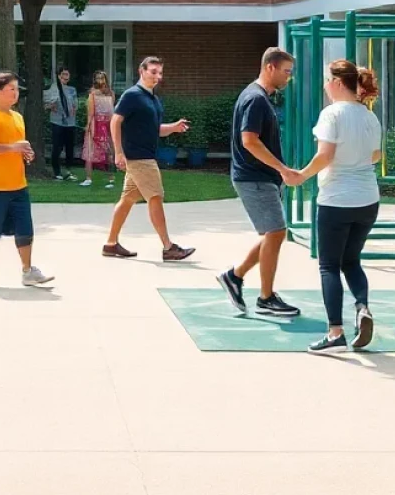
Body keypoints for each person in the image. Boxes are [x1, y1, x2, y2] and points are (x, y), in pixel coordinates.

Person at [282, 60, 382, 352]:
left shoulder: (332, 114)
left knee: (329, 266)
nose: (325, 86)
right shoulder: (369, 117)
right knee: (351, 260)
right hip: (368, 199)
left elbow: (325, 155)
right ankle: (362, 307)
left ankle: (335, 332)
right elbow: (375, 156)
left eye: (327, 80)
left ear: (338, 83)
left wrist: (300, 176)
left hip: (337, 199)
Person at [217, 48, 301, 318]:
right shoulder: (256, 99)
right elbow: (249, 140)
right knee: (276, 233)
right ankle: (265, 298)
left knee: (272, 235)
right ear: (270, 68)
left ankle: (234, 276)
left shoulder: (258, 97)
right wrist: (282, 169)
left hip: (259, 177)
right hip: (254, 178)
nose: (289, 78)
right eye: (286, 72)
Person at [102, 57, 195, 262]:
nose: (157, 76)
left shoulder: (153, 99)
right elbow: (115, 121)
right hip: (139, 158)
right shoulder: (132, 95)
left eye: (160, 73)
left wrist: (173, 128)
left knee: (127, 200)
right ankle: (168, 247)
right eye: (153, 72)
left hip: (144, 156)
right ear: (141, 71)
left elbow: (155, 130)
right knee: (155, 197)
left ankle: (110, 244)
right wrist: (118, 152)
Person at [0, 71, 54, 289]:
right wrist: (12, 147)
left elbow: (17, 147)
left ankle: (28, 271)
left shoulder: (17, 117)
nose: (16, 94)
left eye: (17, 90)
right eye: (11, 89)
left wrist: (25, 153)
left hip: (18, 184)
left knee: (25, 230)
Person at [44, 66, 78, 181]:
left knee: (69, 147)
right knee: (57, 147)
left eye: (67, 75)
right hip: (57, 121)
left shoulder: (72, 89)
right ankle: (57, 172)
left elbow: (75, 104)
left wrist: (74, 108)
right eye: (63, 74)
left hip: (70, 122)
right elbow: (47, 103)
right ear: (58, 76)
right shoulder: (53, 88)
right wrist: (50, 105)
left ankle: (68, 171)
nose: (65, 77)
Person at [82, 70, 115, 188]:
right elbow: (91, 113)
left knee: (109, 152)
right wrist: (89, 126)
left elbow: (112, 110)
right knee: (90, 152)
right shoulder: (92, 94)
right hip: (96, 124)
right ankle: (88, 178)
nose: (100, 80)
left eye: (102, 78)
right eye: (98, 78)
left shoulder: (111, 93)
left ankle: (110, 179)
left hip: (108, 125)